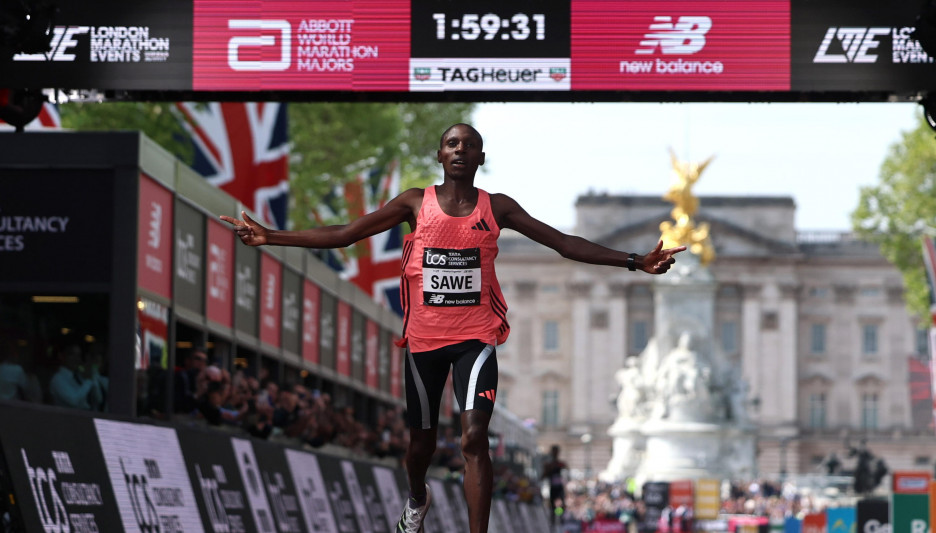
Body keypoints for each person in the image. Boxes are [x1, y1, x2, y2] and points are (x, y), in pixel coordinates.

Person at [220, 123, 686, 533]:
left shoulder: (497, 207)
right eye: (451, 143)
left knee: (472, 437)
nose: (460, 150)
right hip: (423, 341)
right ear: (440, 156)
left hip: (475, 339)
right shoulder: (412, 203)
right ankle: (417, 498)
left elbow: (563, 243)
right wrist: (271, 236)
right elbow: (345, 234)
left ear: (481, 158)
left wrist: (634, 261)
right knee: (420, 444)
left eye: (469, 144)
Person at [543, 445, 569, 526]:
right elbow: (543, 475)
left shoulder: (561, 464)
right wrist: (548, 469)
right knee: (553, 506)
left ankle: (561, 519)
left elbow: (566, 473)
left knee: (560, 505)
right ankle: (553, 522)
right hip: (553, 488)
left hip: (560, 488)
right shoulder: (549, 464)